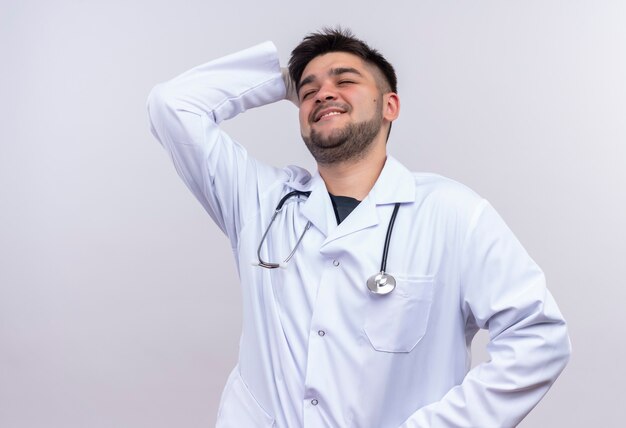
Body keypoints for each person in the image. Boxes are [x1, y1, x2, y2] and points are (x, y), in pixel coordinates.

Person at [147, 28, 570, 428]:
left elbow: (538, 338)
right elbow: (172, 105)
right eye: (309, 90)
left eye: (345, 81)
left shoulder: (452, 213)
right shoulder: (260, 202)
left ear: (391, 106)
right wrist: (282, 82)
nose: (323, 92)